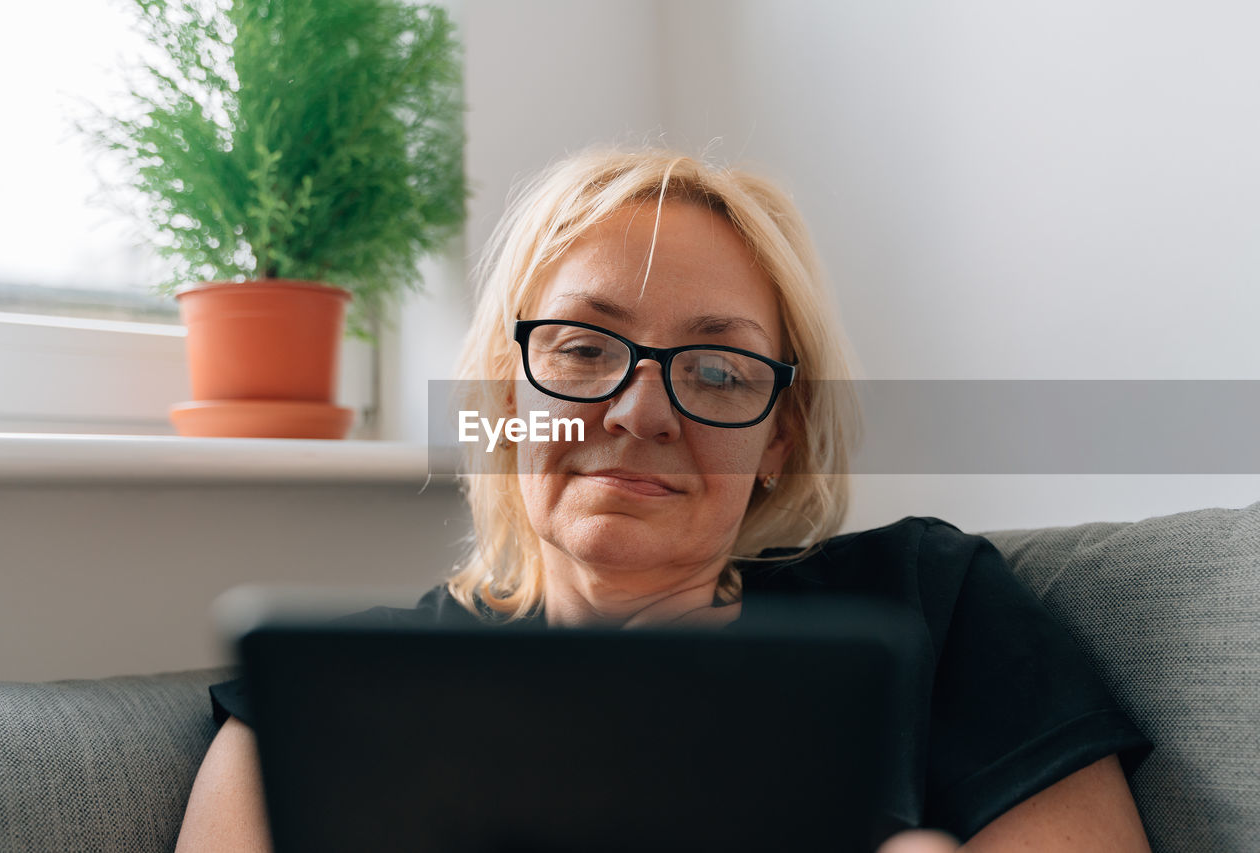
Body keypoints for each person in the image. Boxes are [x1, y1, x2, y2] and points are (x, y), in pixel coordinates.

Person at [176, 147, 1152, 852]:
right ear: (509, 394)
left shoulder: (932, 608)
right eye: (582, 348)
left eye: (719, 370)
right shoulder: (307, 709)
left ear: (779, 433)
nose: (638, 411)